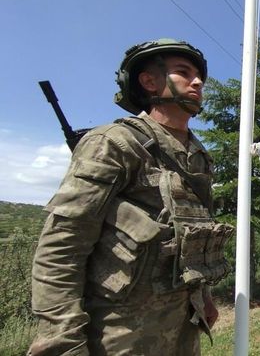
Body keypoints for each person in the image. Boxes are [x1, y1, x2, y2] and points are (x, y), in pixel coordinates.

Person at [29, 39, 234, 356]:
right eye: (184, 72)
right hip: (120, 337)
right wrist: (64, 343)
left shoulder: (198, 157)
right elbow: (62, 247)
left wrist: (203, 297)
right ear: (149, 80)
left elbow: (191, 236)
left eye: (200, 76)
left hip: (183, 328)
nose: (198, 82)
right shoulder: (115, 142)